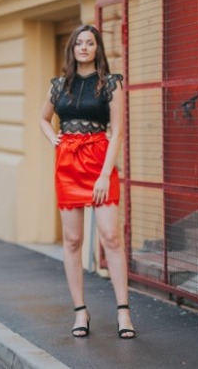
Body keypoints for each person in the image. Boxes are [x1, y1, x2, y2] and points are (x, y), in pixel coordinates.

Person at [38, 24, 136, 339]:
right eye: (78, 43)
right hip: (68, 164)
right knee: (72, 240)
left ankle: (123, 312)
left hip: (99, 161)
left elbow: (117, 132)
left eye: (89, 43)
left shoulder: (110, 83)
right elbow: (43, 118)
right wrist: (55, 140)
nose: (83, 47)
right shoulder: (59, 85)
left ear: (97, 48)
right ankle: (81, 311)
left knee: (111, 237)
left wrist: (105, 174)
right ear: (72, 48)